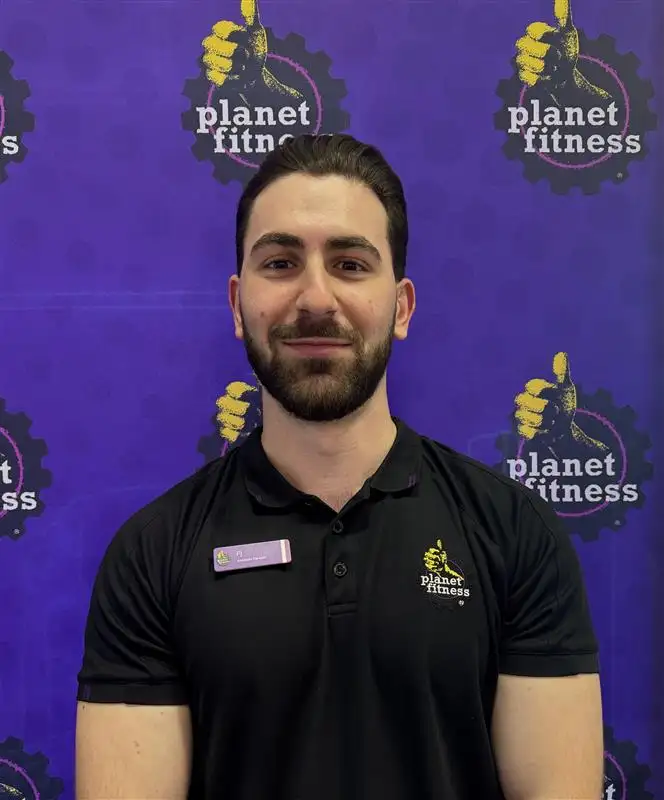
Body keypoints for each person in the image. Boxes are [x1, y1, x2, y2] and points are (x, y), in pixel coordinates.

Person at [75, 133, 603, 800]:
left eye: (350, 264)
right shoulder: (153, 555)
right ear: (237, 304)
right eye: (280, 263)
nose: (316, 298)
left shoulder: (516, 534)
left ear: (401, 307)